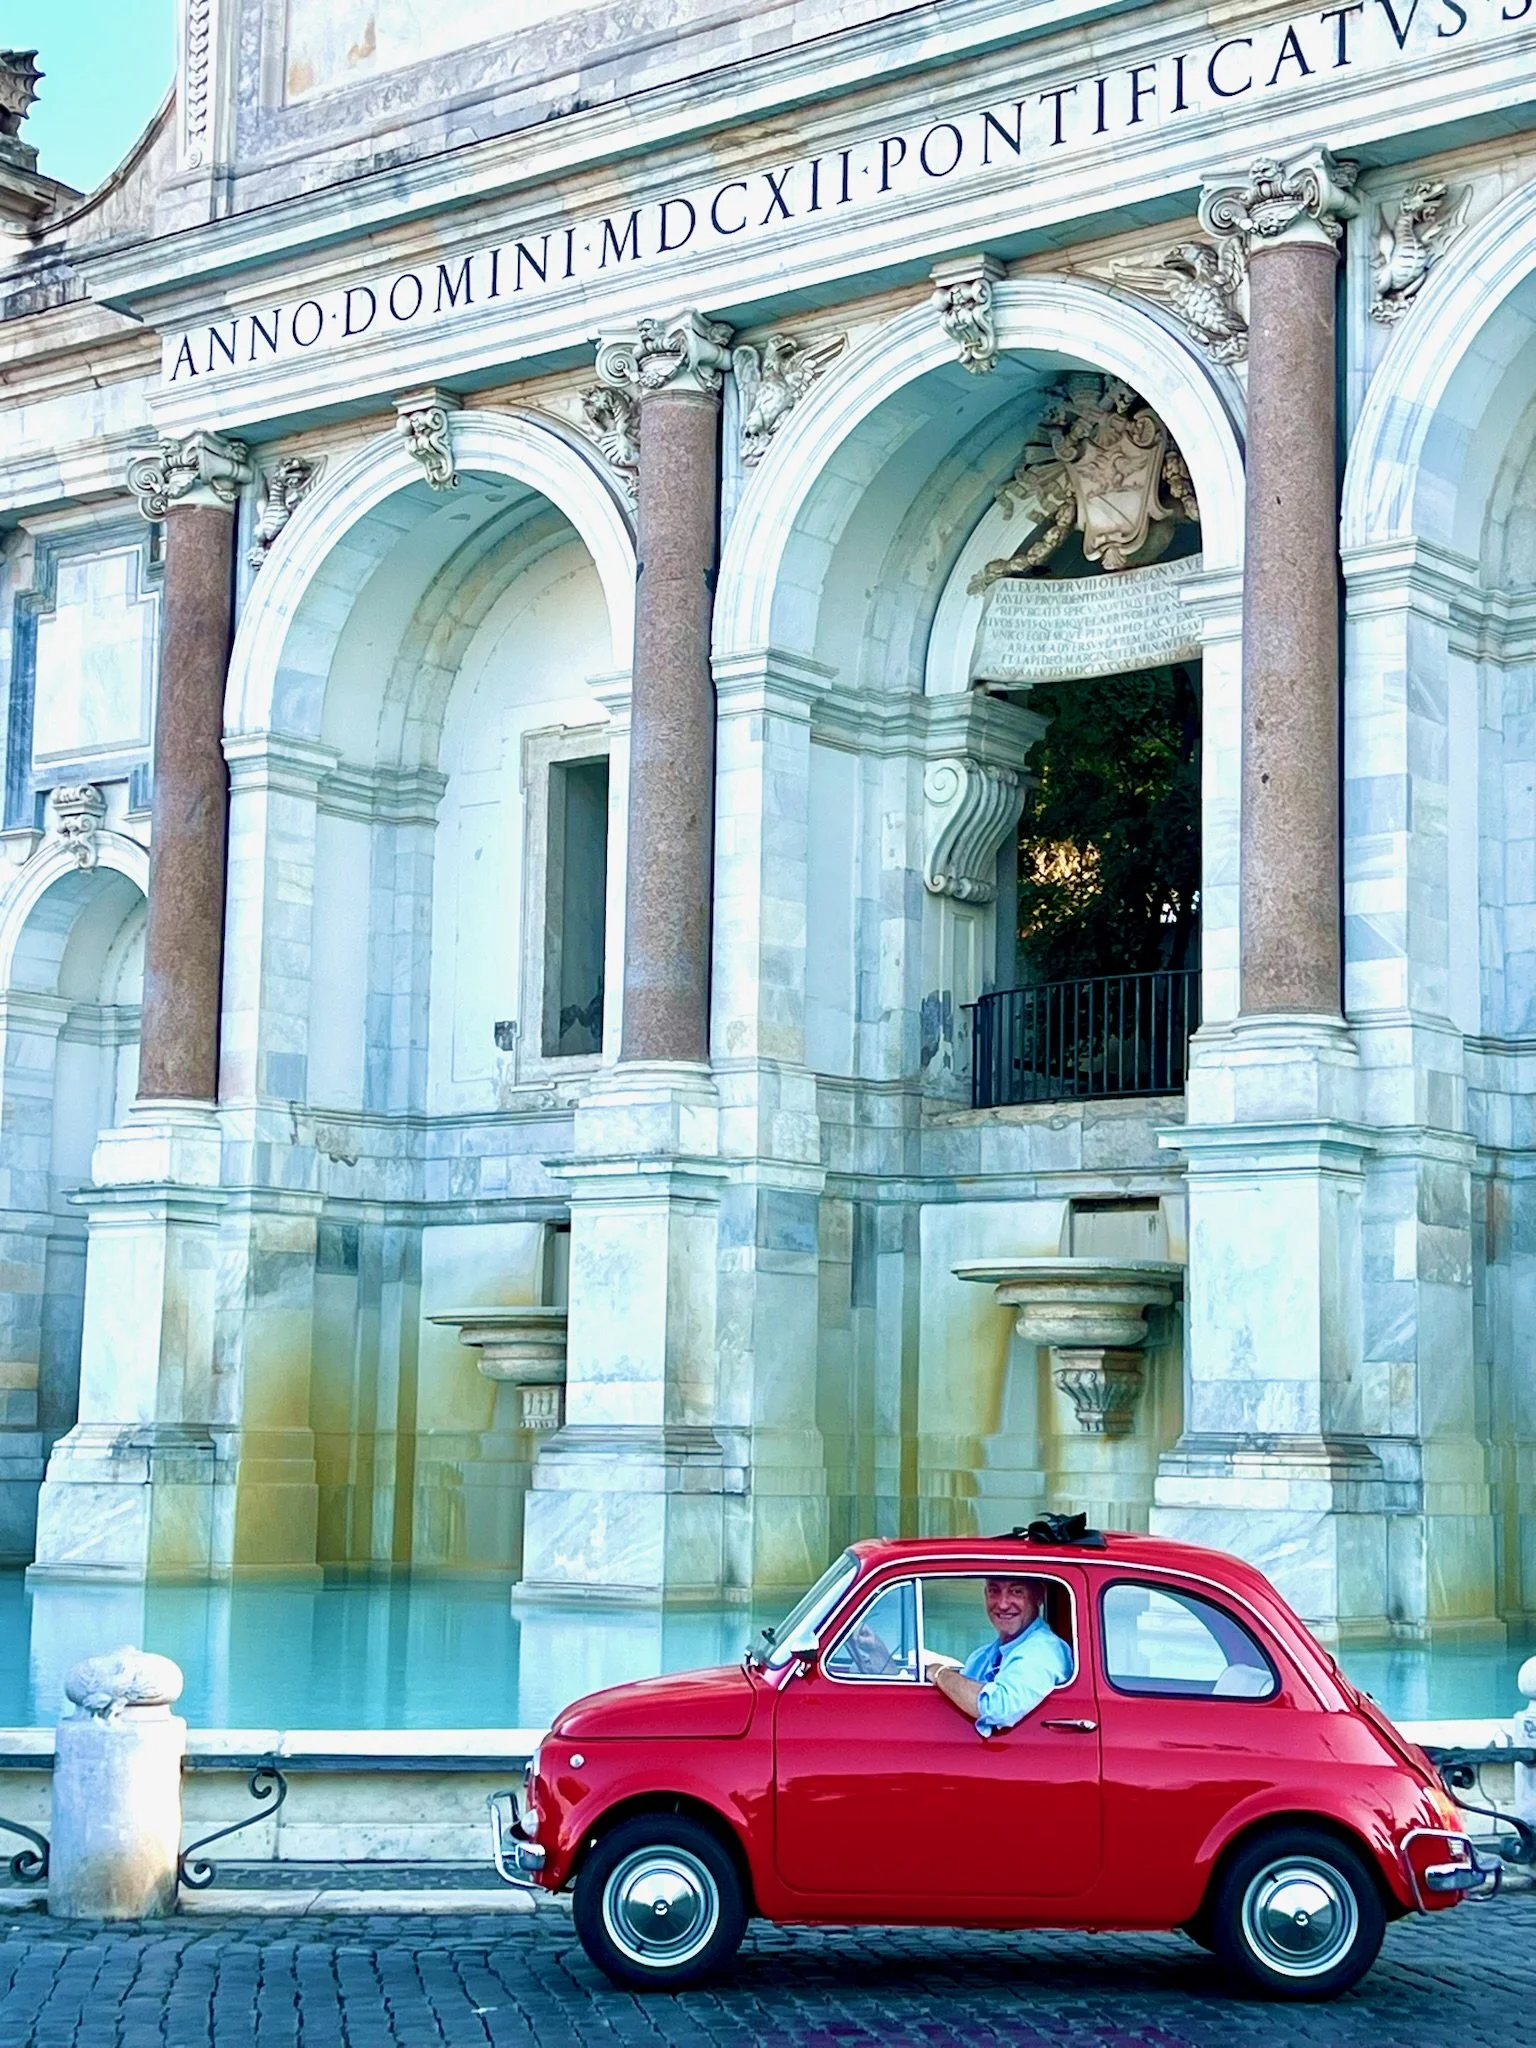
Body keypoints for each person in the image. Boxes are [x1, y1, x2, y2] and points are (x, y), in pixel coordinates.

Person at [928, 1577, 1072, 1737]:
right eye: (994, 1591)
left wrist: (939, 1673)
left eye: (1016, 1592)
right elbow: (962, 1697)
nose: (1003, 1604)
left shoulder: (1045, 1649)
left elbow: (998, 1709)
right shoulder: (981, 1657)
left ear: (1037, 1597)